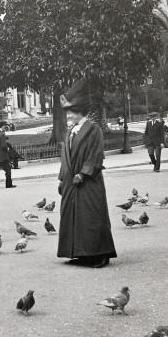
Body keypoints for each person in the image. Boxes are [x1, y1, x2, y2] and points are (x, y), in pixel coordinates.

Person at [56, 77, 116, 269]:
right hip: (69, 182)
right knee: (74, 217)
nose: (68, 117)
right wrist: (61, 178)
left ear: (80, 111)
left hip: (87, 182)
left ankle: (101, 254)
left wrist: (82, 174)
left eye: (70, 113)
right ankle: (80, 253)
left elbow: (96, 156)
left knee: (92, 217)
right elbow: (65, 157)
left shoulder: (93, 130)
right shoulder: (70, 132)